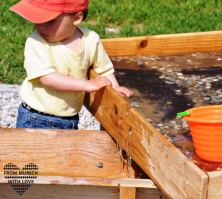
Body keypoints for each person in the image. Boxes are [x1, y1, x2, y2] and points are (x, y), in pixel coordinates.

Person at [9, 0, 133, 129]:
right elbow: (47, 77)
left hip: (70, 118)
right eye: (37, 19)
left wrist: (114, 88)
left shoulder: (90, 40)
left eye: (50, 21)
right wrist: (86, 85)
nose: (40, 26)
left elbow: (104, 69)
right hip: (36, 118)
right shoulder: (36, 42)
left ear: (77, 18)